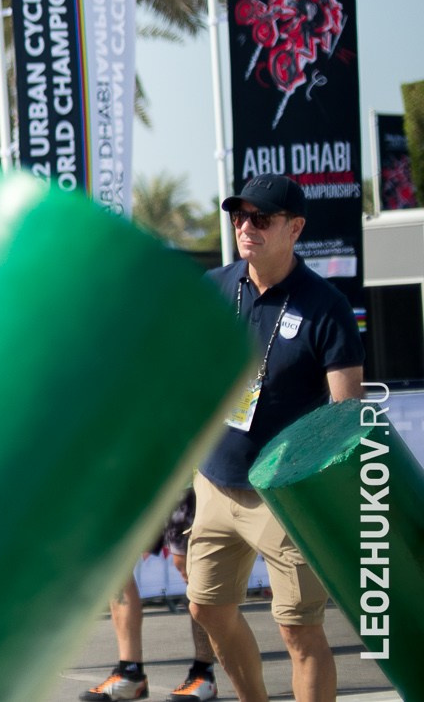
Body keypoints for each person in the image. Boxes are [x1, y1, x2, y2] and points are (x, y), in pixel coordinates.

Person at [186, 175, 363, 702]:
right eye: (239, 216)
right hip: (215, 481)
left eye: (261, 218)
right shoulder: (215, 287)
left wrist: (324, 494)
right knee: (206, 608)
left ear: (295, 228)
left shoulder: (326, 306)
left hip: (284, 496)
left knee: (298, 631)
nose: (246, 227)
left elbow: (346, 414)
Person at [80, 487, 218, 700]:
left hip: (184, 484)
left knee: (189, 568)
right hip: (140, 482)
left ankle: (204, 672)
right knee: (115, 563)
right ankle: (130, 672)